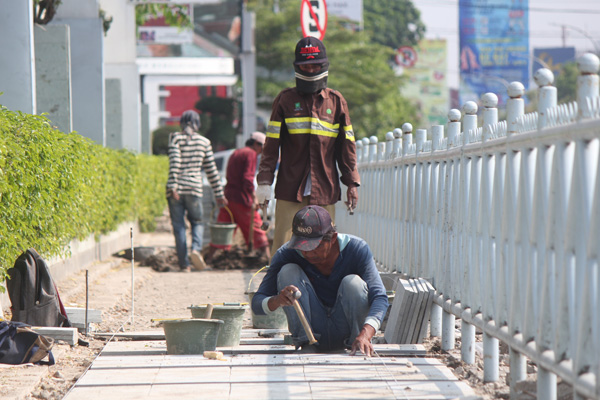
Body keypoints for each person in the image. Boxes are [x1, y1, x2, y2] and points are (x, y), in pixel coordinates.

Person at [255, 36, 360, 258]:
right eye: (305, 66)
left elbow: (347, 147)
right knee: (283, 249)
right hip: (290, 188)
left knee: (324, 250)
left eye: (315, 65)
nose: (311, 70)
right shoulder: (284, 100)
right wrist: (264, 182)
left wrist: (352, 183)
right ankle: (275, 290)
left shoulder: (336, 102)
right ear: (297, 67)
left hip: (325, 189)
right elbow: (271, 144)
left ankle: (320, 292)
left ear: (324, 66)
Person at [250, 206, 388, 356]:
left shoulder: (356, 249)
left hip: (349, 336)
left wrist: (366, 334)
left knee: (353, 283)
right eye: (303, 247)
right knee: (288, 271)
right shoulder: (287, 254)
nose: (308, 253)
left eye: (315, 246)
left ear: (333, 238)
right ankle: (305, 342)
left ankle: (357, 344)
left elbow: (380, 297)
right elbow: (257, 304)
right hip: (312, 330)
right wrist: (277, 300)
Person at [166, 110, 227, 272]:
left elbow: (175, 161)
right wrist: (219, 194)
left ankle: (184, 264)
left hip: (176, 189)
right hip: (194, 188)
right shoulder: (204, 142)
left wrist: (173, 185)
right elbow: (212, 171)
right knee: (197, 222)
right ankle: (195, 249)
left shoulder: (175, 138)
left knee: (179, 227)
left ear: (181, 123)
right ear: (197, 124)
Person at [206, 131, 270, 260]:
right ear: (256, 144)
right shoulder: (251, 154)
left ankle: (209, 259)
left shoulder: (236, 152)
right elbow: (247, 179)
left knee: (223, 229)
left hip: (228, 198)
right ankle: (269, 259)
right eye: (262, 148)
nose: (261, 152)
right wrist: (254, 197)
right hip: (242, 200)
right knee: (256, 228)